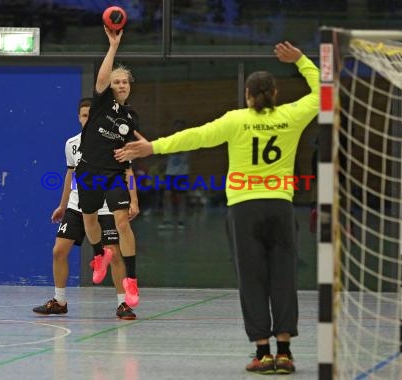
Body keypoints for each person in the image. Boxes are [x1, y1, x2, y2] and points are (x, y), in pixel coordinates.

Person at [114, 41, 319, 375]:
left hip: (243, 211)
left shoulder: (235, 120)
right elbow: (325, 90)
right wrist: (301, 60)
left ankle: (262, 353)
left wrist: (151, 147)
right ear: (276, 93)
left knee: (252, 280)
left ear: (249, 96)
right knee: (283, 277)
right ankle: (285, 353)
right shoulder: (291, 116)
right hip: (280, 207)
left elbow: (193, 137)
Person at [33, 98, 136, 320]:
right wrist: (62, 206)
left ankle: (123, 304)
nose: (87, 119)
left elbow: (128, 174)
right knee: (58, 250)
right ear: (79, 118)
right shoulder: (72, 144)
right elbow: (70, 175)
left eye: (92, 115)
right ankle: (59, 301)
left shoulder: (114, 142)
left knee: (114, 255)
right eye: (84, 115)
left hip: (106, 207)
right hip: (77, 205)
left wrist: (133, 201)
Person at [75, 26, 141, 308]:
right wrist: (113, 46)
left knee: (122, 221)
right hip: (89, 170)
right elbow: (102, 78)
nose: (121, 85)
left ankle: (132, 281)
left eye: (125, 82)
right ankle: (99, 253)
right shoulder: (102, 103)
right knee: (90, 221)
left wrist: (134, 193)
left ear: (130, 85)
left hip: (113, 175)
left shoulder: (131, 117)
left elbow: (129, 156)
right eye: (117, 82)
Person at [158, 119, 190, 230]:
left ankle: (181, 220)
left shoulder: (188, 140)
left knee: (182, 197)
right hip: (170, 173)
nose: (179, 129)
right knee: (167, 196)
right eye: (177, 127)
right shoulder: (170, 140)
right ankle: (167, 220)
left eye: (181, 127)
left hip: (182, 173)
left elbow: (179, 151)